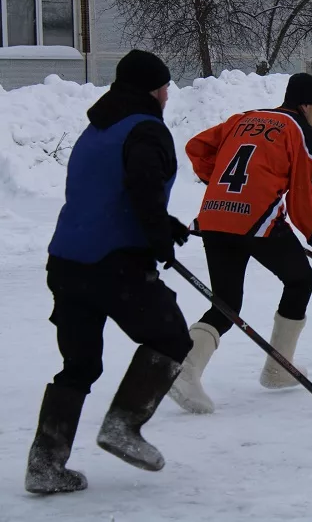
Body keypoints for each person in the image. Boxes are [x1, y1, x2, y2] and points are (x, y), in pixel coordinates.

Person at [25, 49, 194, 494]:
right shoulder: (147, 129)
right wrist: (156, 240)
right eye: (165, 88)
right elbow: (141, 185)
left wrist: (163, 225)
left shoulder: (97, 128)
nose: (167, 96)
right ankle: (124, 426)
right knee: (173, 337)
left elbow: (110, 189)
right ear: (154, 90)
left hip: (66, 260)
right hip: (112, 263)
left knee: (78, 366)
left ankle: (45, 465)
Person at [168, 73, 312, 414]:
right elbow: (303, 199)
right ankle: (278, 368)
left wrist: (215, 181)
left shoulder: (243, 119)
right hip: (257, 221)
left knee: (226, 303)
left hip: (215, 216)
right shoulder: (301, 132)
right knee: (300, 280)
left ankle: (184, 370)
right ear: (304, 105)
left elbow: (196, 147)